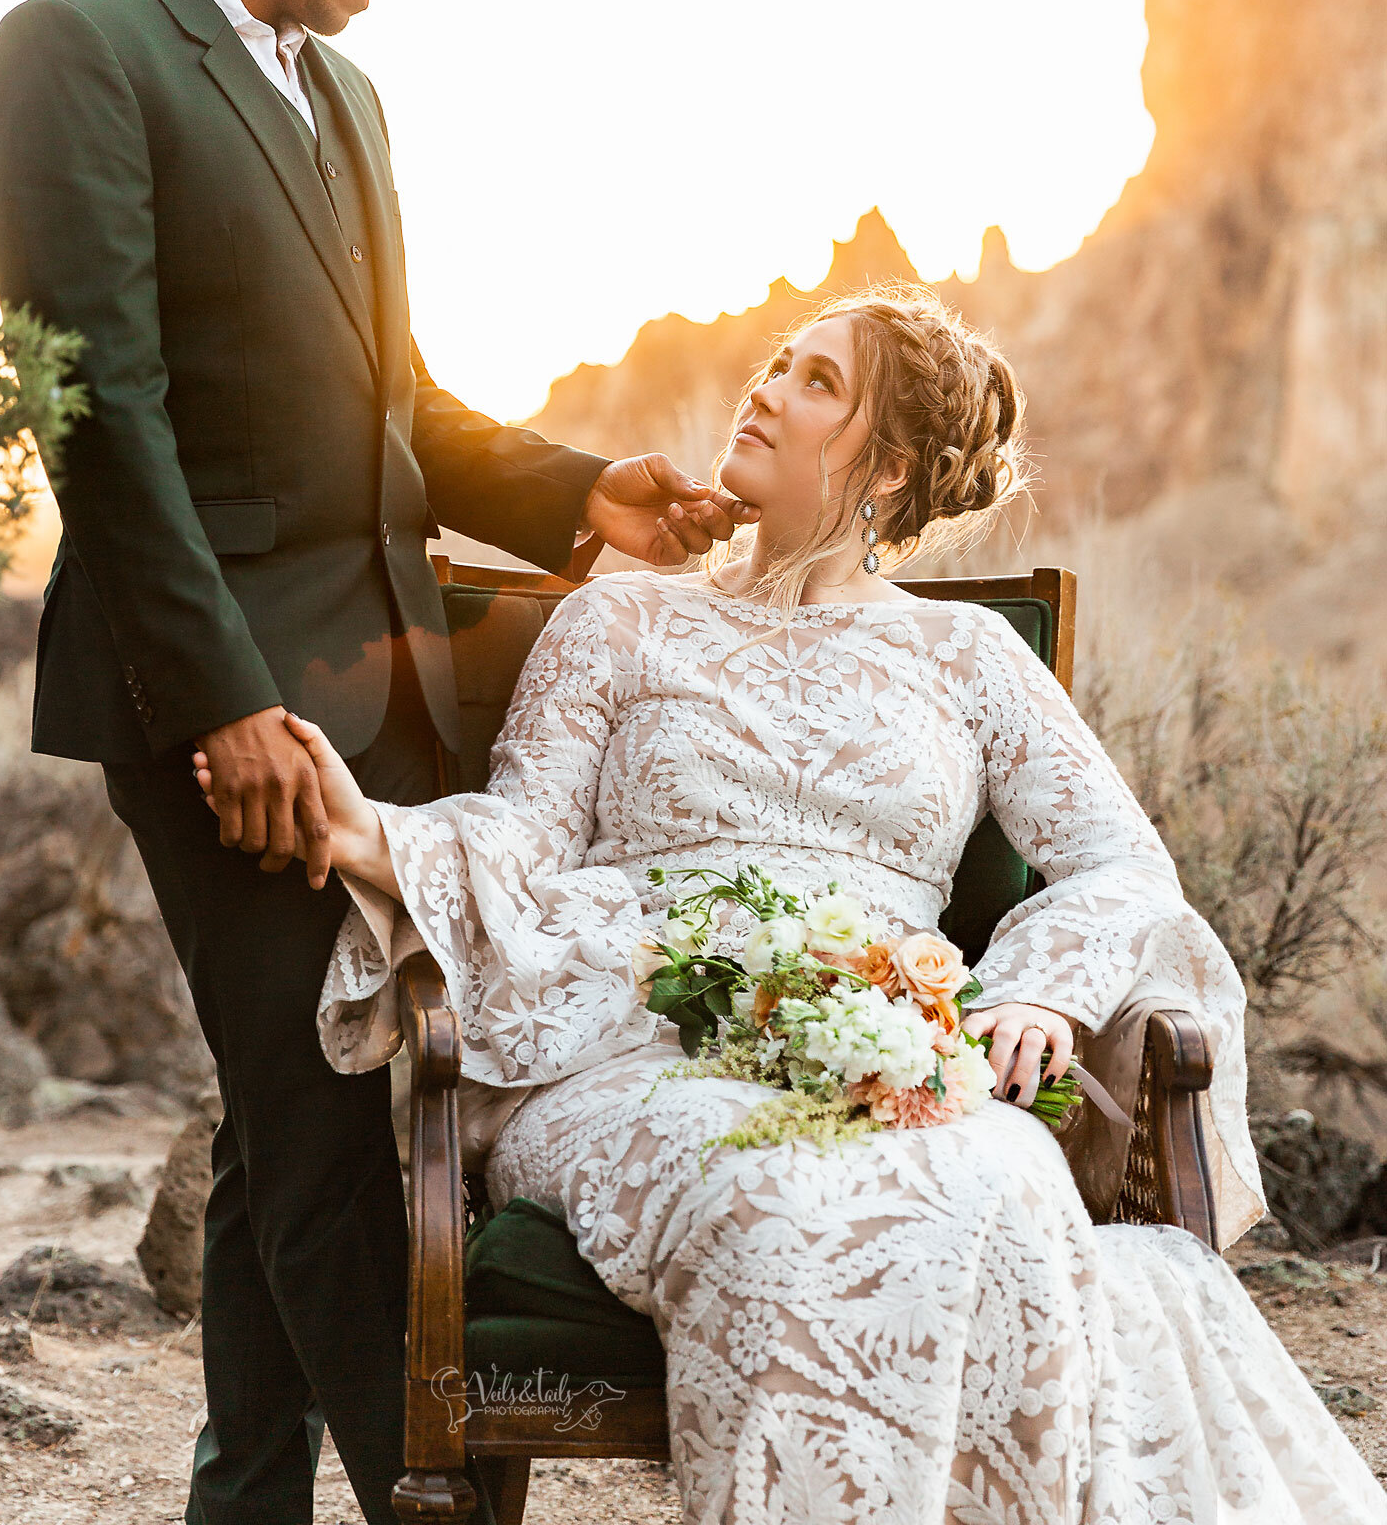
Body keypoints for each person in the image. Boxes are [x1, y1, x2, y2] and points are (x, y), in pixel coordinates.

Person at [0, 0, 751, 1525]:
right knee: (332, 1130)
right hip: (224, 709)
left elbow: (396, 398)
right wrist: (227, 703)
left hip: (393, 684)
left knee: (291, 1110)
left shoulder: (350, 99)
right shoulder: (75, 49)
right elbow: (104, 415)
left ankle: (241, 1496)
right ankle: (446, 1502)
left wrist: (580, 494)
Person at [235, 286, 1387, 1524]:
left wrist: (1041, 984)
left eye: (818, 380)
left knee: (1004, 1188)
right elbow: (524, 830)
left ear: (884, 468)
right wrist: (372, 833)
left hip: (891, 1052)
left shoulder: (970, 656)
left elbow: (1123, 862)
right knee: (770, 1202)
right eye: (779, 361)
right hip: (636, 1043)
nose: (767, 386)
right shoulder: (617, 618)